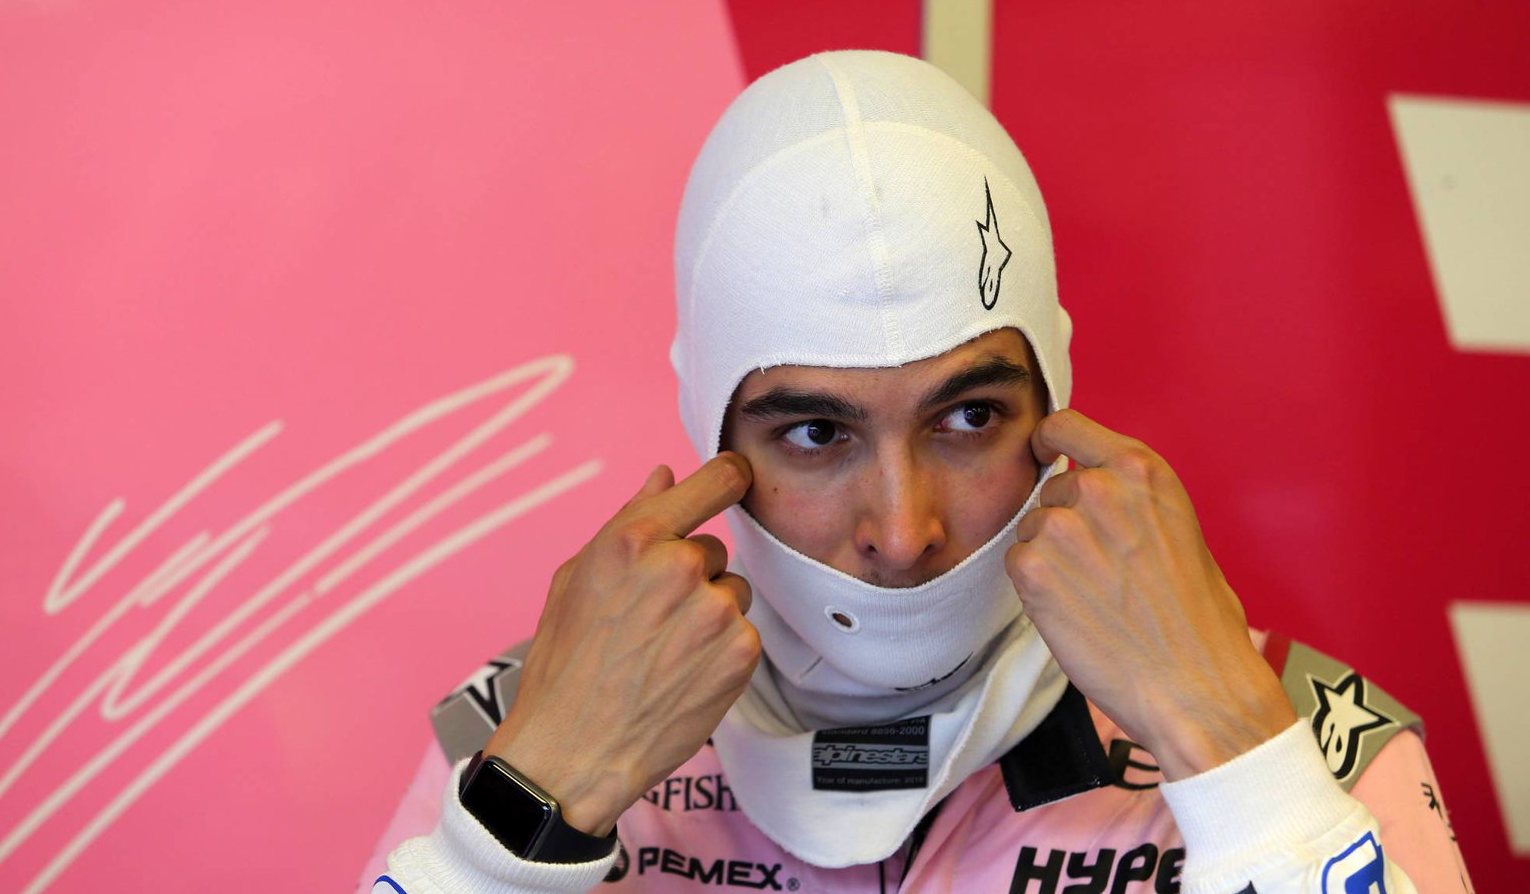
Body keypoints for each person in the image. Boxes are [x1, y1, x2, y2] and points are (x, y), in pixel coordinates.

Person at [363, 51, 1472, 893]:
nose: (902, 533)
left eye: (968, 418)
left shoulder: (1301, 736)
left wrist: (1235, 755)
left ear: (1056, 404)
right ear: (712, 435)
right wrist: (524, 815)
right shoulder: (529, 728)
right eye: (816, 434)